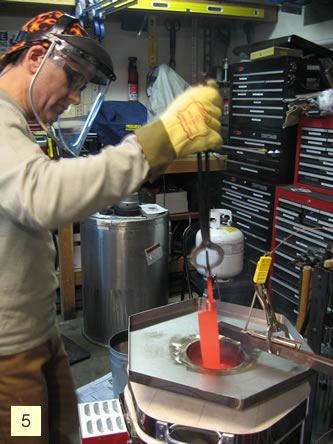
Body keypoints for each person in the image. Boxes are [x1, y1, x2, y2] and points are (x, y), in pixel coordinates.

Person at [0, 10, 222, 444]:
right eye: (71, 80)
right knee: (28, 433)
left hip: (39, 336)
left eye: (82, 86)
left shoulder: (17, 125)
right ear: (35, 56)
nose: (73, 97)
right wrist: (152, 143)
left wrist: (150, 158)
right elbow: (42, 195)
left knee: (62, 429)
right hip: (10, 356)